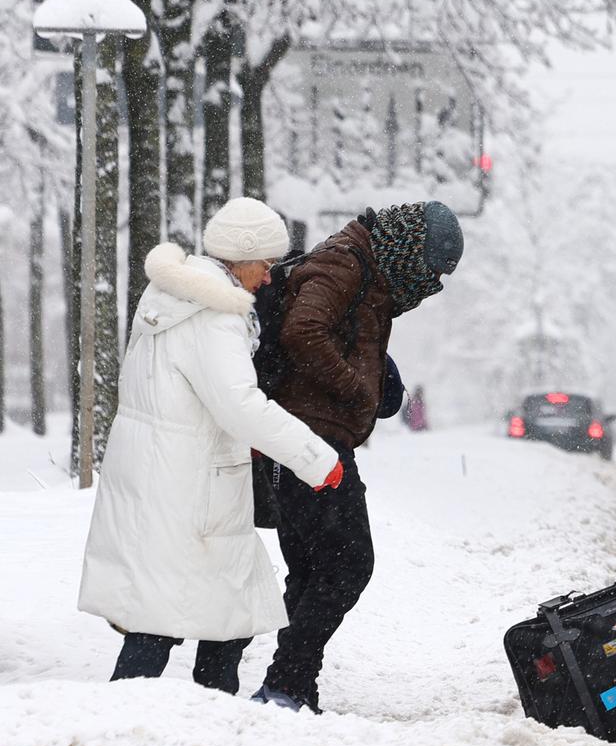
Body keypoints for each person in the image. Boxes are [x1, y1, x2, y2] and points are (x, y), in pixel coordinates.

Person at [79, 200, 345, 693]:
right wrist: (317, 459)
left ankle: (204, 711)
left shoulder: (170, 298)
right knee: (168, 619)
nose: (268, 279)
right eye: (265, 266)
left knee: (213, 611)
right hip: (189, 485)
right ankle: (135, 717)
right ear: (241, 259)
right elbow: (240, 406)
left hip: (162, 475)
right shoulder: (215, 316)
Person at [255, 201, 465, 711]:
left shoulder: (366, 267)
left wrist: (376, 376)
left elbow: (334, 331)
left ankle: (292, 687)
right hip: (307, 440)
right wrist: (357, 390)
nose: (429, 285)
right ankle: (286, 682)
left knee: (312, 569)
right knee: (350, 563)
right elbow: (302, 332)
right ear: (410, 249)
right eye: (429, 271)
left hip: (308, 437)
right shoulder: (346, 263)